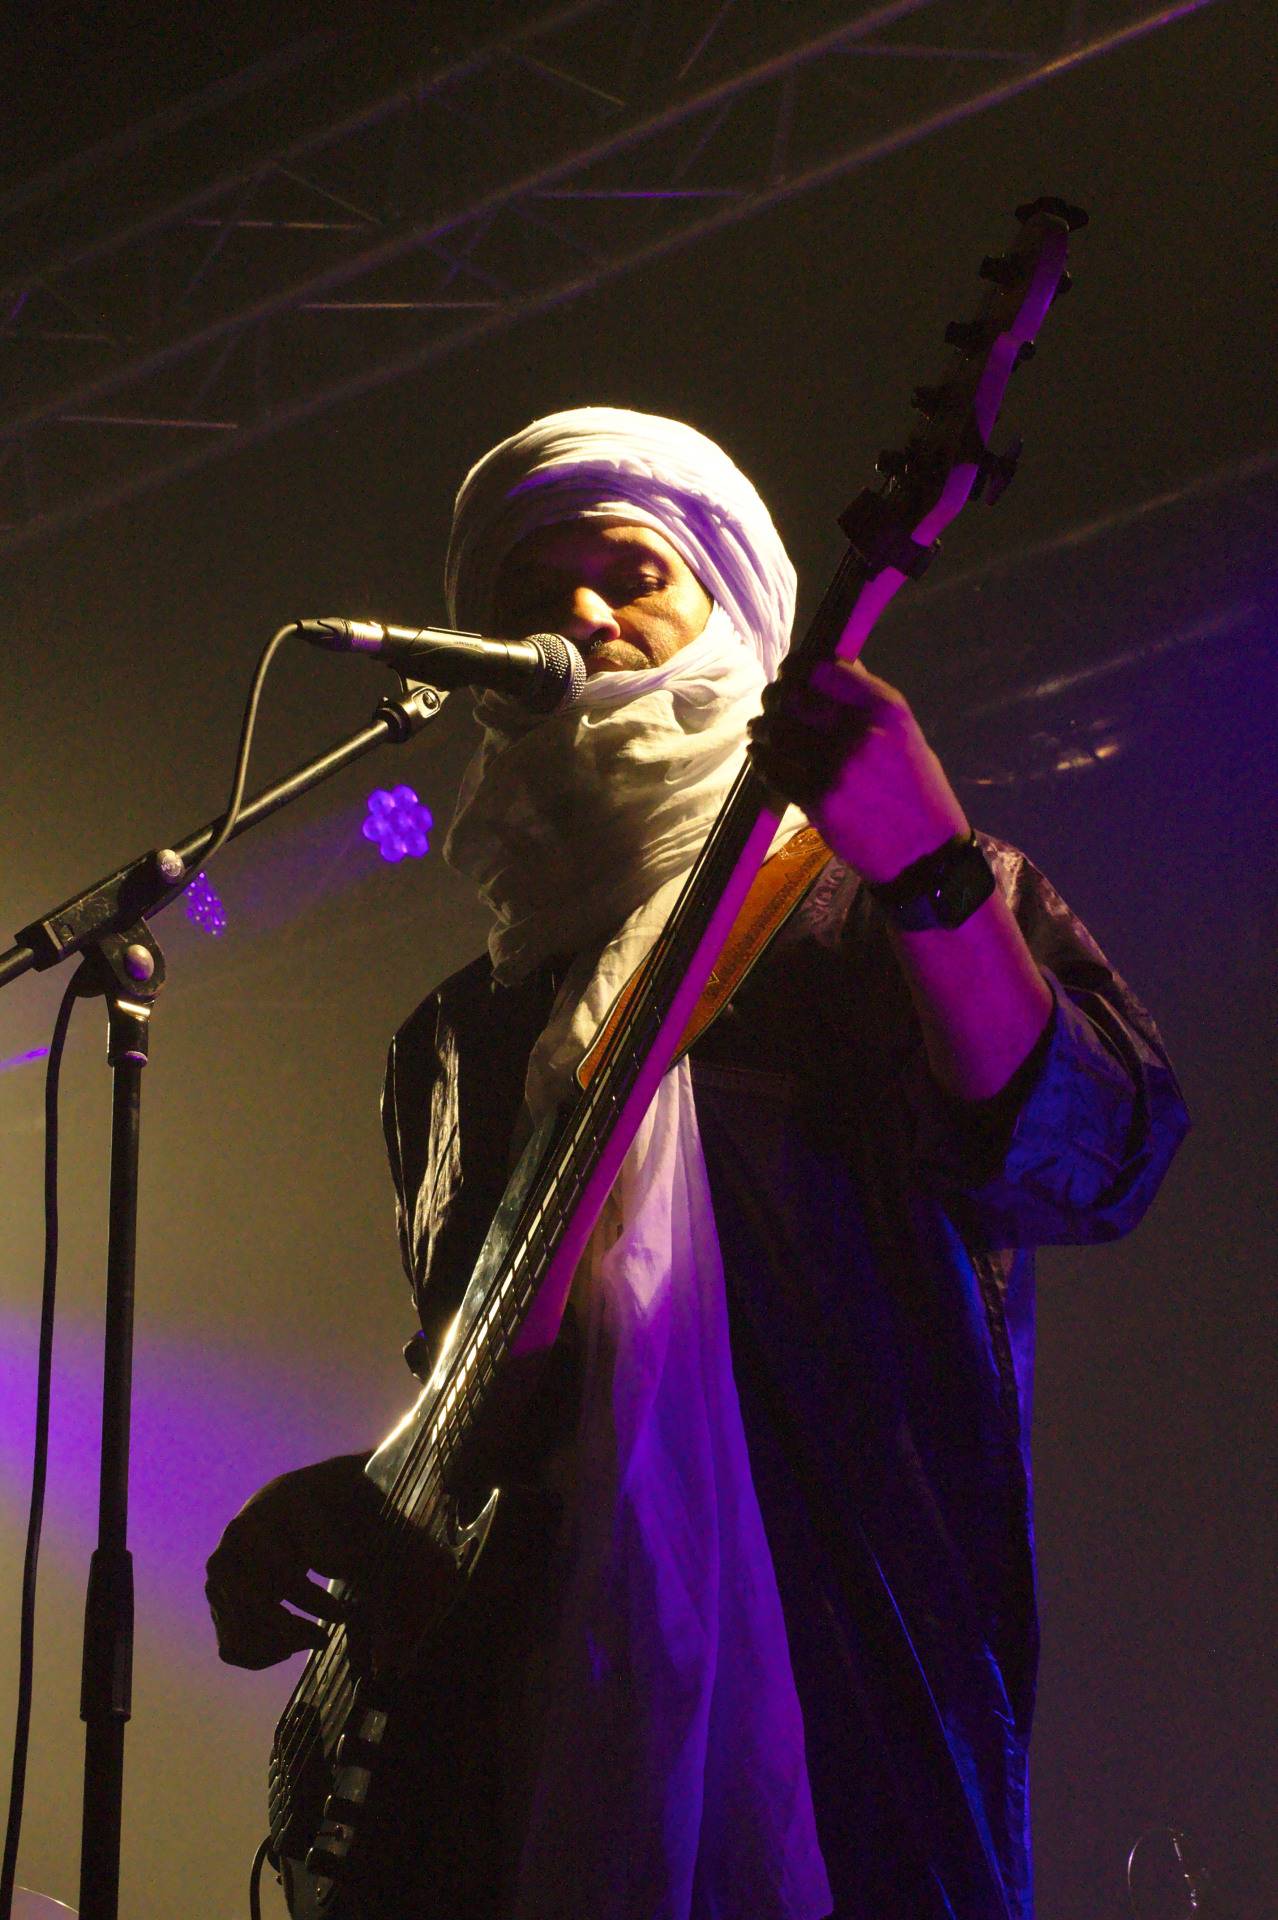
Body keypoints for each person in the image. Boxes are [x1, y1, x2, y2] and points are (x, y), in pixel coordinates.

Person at [206, 408, 1189, 1920]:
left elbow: (1094, 1158)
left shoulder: (876, 905)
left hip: (842, 1707)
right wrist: (350, 1504)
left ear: (729, 602)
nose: (582, 617)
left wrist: (923, 861)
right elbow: (503, 1399)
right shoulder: (455, 1039)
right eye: (530, 595)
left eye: (632, 572)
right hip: (504, 1767)